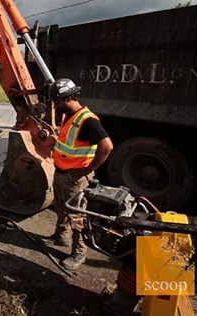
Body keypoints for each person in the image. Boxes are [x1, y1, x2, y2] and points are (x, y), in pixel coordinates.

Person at [47, 78, 113, 270]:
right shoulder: (69, 115)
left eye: (57, 102)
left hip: (74, 178)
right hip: (61, 173)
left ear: (67, 99)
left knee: (76, 216)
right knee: (60, 206)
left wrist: (87, 169)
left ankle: (79, 253)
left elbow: (106, 146)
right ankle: (61, 236)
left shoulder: (88, 120)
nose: (55, 106)